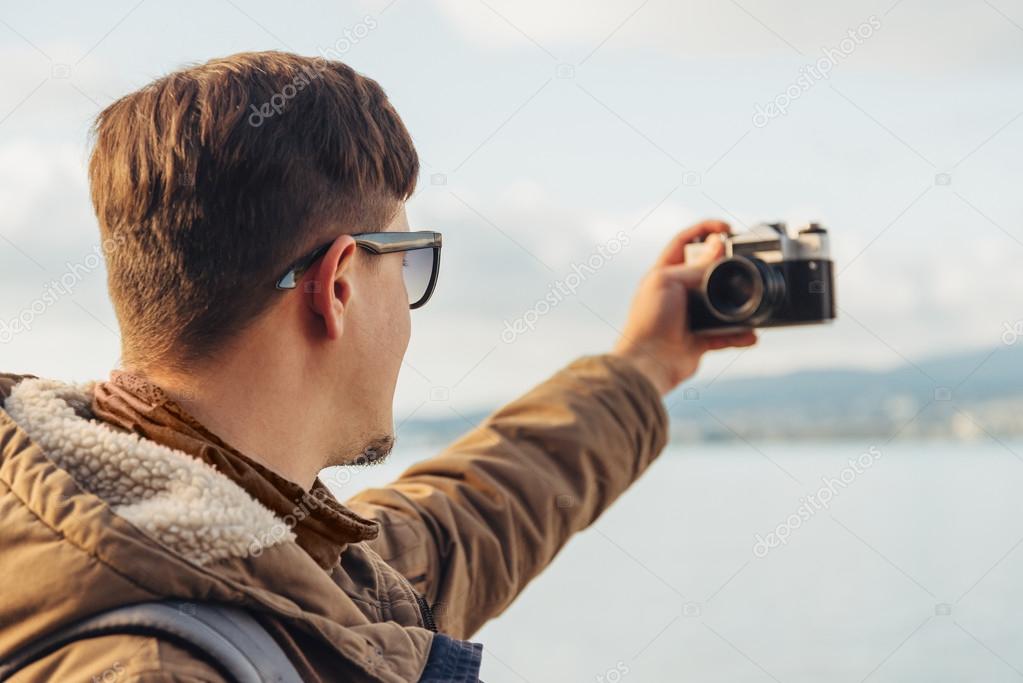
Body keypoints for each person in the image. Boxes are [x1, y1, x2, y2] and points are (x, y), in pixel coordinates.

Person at [0, 51, 755, 682]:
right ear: (337, 287)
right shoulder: (162, 661)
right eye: (407, 258)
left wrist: (648, 361)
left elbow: (473, 516)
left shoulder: (235, 545)